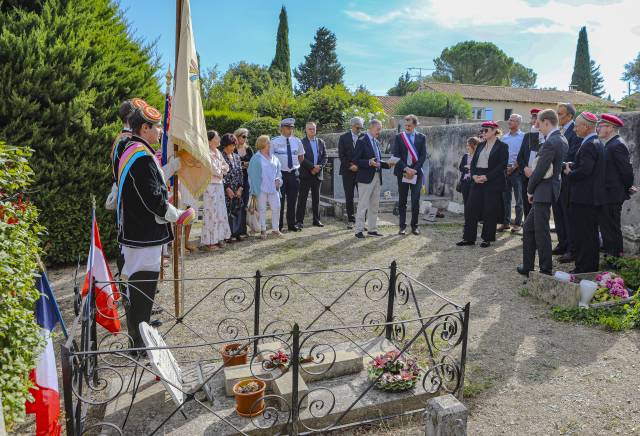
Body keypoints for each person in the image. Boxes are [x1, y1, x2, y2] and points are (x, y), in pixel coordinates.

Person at [115, 104, 194, 348]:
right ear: (145, 128)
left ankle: (140, 335)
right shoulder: (140, 155)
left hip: (137, 231)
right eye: (157, 127)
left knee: (139, 287)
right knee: (142, 287)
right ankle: (140, 342)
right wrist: (177, 215)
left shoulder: (130, 149)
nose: (160, 131)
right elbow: (153, 199)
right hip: (142, 233)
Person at [518, 109, 567, 277]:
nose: (538, 127)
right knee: (529, 228)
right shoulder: (560, 138)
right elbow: (536, 150)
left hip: (543, 190)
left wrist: (530, 190)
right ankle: (527, 266)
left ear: (547, 122)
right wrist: (533, 133)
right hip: (547, 189)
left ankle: (545, 270)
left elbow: (539, 170)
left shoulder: (552, 141)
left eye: (539, 123)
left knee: (541, 232)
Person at [563, 112, 605, 273]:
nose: (574, 129)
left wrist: (569, 172)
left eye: (577, 125)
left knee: (584, 235)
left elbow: (585, 171)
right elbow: (588, 166)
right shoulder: (595, 142)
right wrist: (574, 164)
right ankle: (589, 267)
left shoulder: (589, 144)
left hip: (584, 198)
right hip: (590, 197)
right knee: (589, 234)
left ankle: (583, 268)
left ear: (587, 127)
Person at [457, 121, 508, 248]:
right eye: (482, 130)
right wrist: (474, 176)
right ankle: (469, 238)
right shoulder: (480, 145)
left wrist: (487, 177)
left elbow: (502, 165)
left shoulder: (502, 146)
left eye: (486, 130)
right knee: (470, 208)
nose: (483, 133)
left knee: (489, 210)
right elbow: (473, 163)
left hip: (492, 181)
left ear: (494, 130)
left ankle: (487, 238)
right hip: (477, 179)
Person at [596, 114, 636, 260]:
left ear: (611, 128)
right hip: (607, 193)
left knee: (612, 228)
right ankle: (610, 255)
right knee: (607, 228)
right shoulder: (610, 143)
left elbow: (626, 171)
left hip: (612, 194)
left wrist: (627, 187)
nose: (598, 128)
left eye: (602, 125)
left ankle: (615, 258)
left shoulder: (617, 144)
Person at [353, 119, 396, 238]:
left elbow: (377, 160)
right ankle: (358, 231)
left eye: (380, 129)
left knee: (374, 205)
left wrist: (387, 164)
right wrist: (368, 162)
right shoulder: (361, 141)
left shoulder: (376, 142)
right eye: (378, 128)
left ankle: (372, 229)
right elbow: (355, 160)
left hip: (377, 177)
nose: (379, 131)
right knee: (362, 205)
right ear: (371, 128)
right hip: (365, 178)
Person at [392, 114, 427, 235]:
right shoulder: (399, 137)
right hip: (403, 172)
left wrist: (414, 170)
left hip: (416, 173)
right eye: (405, 125)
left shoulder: (421, 137)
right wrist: (406, 169)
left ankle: (414, 226)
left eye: (409, 125)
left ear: (415, 125)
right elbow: (396, 155)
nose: (407, 127)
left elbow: (423, 156)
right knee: (402, 201)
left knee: (415, 201)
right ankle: (402, 226)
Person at [553, 102, 579, 262]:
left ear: (569, 115)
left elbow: (574, 154)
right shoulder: (560, 130)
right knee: (558, 213)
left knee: (568, 214)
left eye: (560, 114)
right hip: (556, 178)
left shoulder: (575, 130)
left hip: (568, 178)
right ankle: (562, 243)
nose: (558, 116)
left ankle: (571, 249)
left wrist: (558, 163)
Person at [271, 118, 305, 232]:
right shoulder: (274, 141)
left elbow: (301, 157)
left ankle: (291, 224)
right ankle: (278, 225)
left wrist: (295, 167)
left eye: (291, 128)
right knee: (279, 200)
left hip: (293, 174)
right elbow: (270, 159)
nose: (290, 130)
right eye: (287, 128)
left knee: (292, 200)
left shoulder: (297, 141)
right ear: (281, 129)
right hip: (280, 175)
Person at [201, 130, 231, 250]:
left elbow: (226, 166)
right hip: (210, 186)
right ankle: (209, 242)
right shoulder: (206, 153)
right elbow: (215, 170)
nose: (219, 139)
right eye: (217, 137)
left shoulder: (217, 152)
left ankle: (219, 238)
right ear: (210, 141)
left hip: (219, 185)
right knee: (211, 213)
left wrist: (222, 170)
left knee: (220, 212)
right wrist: (221, 170)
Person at [248, 135, 283, 238]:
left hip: (274, 188)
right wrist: (254, 189)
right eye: (268, 142)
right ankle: (263, 230)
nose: (270, 144)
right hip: (261, 188)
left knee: (277, 207)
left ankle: (275, 229)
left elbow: (278, 172)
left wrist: (278, 180)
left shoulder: (274, 157)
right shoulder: (256, 158)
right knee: (262, 209)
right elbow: (252, 174)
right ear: (263, 144)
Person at [296, 121, 327, 228]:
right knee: (302, 198)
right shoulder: (301, 142)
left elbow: (325, 157)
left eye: (313, 129)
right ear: (306, 130)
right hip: (306, 174)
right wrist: (312, 167)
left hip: (318, 174)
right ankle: (299, 221)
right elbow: (301, 158)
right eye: (310, 129)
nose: (312, 130)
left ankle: (316, 220)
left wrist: (319, 167)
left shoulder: (321, 142)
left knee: (316, 199)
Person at [499, 113, 525, 233]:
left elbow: (524, 154)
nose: (509, 122)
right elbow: (502, 155)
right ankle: (506, 222)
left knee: (519, 199)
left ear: (518, 123)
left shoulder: (523, 137)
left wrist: (514, 167)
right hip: (505, 170)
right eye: (509, 120)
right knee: (506, 198)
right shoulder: (504, 138)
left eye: (512, 120)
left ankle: (518, 224)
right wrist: (506, 168)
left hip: (518, 171)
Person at [338, 117, 363, 228]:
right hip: (347, 171)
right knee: (349, 196)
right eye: (358, 127)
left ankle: (362, 220)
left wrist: (358, 166)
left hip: (360, 171)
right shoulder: (343, 138)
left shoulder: (363, 137)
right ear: (352, 126)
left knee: (363, 196)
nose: (359, 130)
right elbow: (341, 155)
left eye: (361, 128)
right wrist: (350, 166)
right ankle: (351, 220)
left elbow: (366, 154)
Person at [517, 108, 541, 220]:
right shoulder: (527, 136)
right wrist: (525, 168)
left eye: (536, 117)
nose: (534, 120)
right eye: (533, 117)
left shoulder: (546, 137)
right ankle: (527, 234)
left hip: (539, 178)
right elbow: (520, 157)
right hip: (525, 176)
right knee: (526, 206)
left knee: (537, 208)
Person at [220, 133, 245, 241]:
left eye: (234, 145)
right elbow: (221, 174)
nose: (233, 147)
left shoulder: (236, 157)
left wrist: (240, 187)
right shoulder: (220, 156)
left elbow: (240, 173)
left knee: (237, 209)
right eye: (231, 145)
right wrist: (227, 188)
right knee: (227, 211)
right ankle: (227, 234)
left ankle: (237, 232)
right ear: (225, 145)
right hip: (226, 189)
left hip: (237, 188)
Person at [234, 127, 254, 238]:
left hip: (246, 179)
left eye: (246, 137)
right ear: (238, 136)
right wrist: (244, 164)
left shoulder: (249, 149)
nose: (245, 139)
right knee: (236, 204)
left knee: (244, 204)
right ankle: (234, 230)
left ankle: (243, 230)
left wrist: (243, 164)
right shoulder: (233, 148)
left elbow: (253, 162)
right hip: (236, 180)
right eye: (243, 136)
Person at [458, 137, 480, 206]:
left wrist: (471, 167)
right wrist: (466, 168)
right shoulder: (465, 156)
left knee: (473, 203)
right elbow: (461, 168)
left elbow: (480, 169)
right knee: (466, 202)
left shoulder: (479, 156)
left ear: (474, 146)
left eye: (469, 145)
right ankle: (467, 217)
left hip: (474, 182)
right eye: (467, 145)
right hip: (465, 182)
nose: (467, 147)